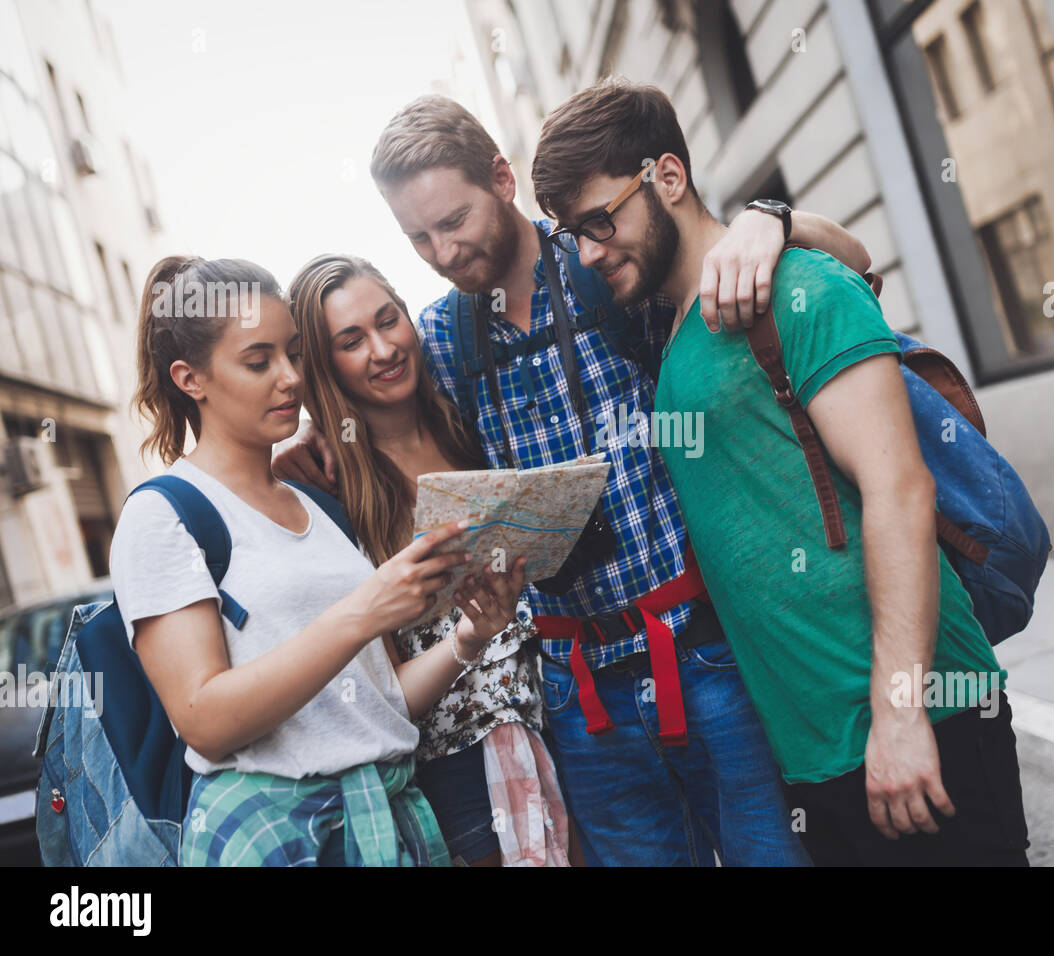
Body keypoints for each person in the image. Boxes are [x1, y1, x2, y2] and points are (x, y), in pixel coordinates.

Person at [274, 94, 876, 867]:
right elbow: (367, 382)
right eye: (418, 238)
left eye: (454, 221)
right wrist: (308, 433)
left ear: (502, 178)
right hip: (579, 693)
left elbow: (844, 260)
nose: (444, 252)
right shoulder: (442, 341)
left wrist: (772, 219)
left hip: (705, 652)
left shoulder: (612, 259)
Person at [531, 79, 1031, 866]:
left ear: (667, 178)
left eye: (601, 220)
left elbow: (899, 490)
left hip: (916, 717)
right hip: (811, 754)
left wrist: (899, 715)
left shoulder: (794, 287)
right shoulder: (667, 331)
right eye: (574, 236)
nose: (591, 251)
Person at [113, 255, 522, 866]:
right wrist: (362, 611)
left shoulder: (319, 505)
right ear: (189, 378)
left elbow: (377, 706)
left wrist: (469, 638)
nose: (290, 378)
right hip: (279, 838)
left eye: (294, 353)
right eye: (258, 362)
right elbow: (205, 719)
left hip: (387, 823)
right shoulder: (163, 515)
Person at [288, 252, 568, 866]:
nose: (384, 349)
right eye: (351, 340)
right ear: (324, 364)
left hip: (559, 723)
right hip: (460, 776)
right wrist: (469, 637)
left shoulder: (468, 420)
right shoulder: (332, 496)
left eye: (389, 321)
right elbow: (382, 694)